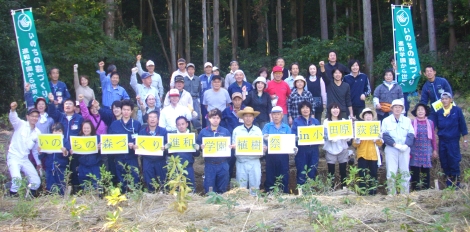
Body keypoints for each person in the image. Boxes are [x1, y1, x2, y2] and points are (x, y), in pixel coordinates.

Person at [47, 94, 84, 191]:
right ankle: (62, 189)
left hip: (73, 149)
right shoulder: (60, 116)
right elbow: (52, 112)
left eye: (70, 104)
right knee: (62, 169)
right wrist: (51, 102)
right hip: (60, 149)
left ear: (74, 107)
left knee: (74, 169)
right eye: (66, 104)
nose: (67, 105)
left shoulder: (79, 118)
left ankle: (75, 189)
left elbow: (82, 132)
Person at [7, 104, 42, 197]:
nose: (34, 118)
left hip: (25, 159)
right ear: (27, 116)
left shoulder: (38, 133)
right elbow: (13, 118)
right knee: (17, 180)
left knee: (36, 181)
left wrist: (38, 163)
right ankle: (12, 200)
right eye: (32, 116)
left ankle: (28, 199)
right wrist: (13, 110)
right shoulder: (20, 124)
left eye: (36, 116)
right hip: (13, 156)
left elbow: (35, 150)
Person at [107, 99, 142, 192]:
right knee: (121, 180)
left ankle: (135, 199)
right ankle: (123, 198)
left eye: (128, 110)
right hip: (119, 157)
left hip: (132, 157)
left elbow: (142, 141)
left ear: (131, 111)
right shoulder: (114, 124)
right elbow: (110, 141)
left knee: (135, 179)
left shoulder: (137, 124)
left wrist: (135, 145)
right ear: (121, 110)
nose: (126, 112)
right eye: (124, 109)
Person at [435, 92, 468, 187]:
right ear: (441, 101)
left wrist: (465, 140)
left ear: (451, 100)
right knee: (444, 161)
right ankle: (449, 183)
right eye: (443, 99)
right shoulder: (439, 112)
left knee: (454, 161)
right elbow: (434, 126)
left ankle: (456, 183)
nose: (445, 100)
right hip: (442, 141)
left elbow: (463, 126)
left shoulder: (457, 110)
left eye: (447, 98)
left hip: (453, 141)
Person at [382, 99, 415, 195]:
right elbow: (385, 135)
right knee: (391, 172)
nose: (397, 109)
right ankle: (391, 193)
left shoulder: (407, 120)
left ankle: (405, 193)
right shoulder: (386, 120)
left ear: (402, 109)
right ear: (391, 109)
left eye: (399, 107)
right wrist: (395, 145)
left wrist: (406, 145)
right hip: (391, 149)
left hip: (404, 149)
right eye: (395, 107)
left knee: (405, 172)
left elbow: (411, 134)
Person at [197, 109, 232, 194]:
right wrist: (200, 147)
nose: (215, 120)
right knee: (209, 188)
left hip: (223, 163)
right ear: (209, 118)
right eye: (213, 118)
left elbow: (230, 144)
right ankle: (210, 205)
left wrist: (230, 147)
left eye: (217, 118)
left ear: (220, 119)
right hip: (210, 164)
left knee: (222, 187)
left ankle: (221, 205)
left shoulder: (225, 131)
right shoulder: (204, 132)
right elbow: (197, 146)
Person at [232, 107, 265, 194]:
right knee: (241, 187)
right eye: (246, 116)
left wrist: (263, 149)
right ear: (242, 117)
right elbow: (234, 144)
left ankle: (254, 205)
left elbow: (261, 145)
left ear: (253, 118)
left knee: (255, 187)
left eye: (250, 116)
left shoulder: (258, 130)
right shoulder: (237, 130)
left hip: (254, 161)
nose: (248, 118)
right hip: (241, 161)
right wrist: (234, 147)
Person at [134, 110, 167, 192]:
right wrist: (136, 146)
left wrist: (165, 147)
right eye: (150, 117)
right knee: (149, 180)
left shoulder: (163, 131)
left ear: (158, 120)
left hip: (160, 160)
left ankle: (163, 194)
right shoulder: (142, 132)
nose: (152, 119)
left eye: (155, 117)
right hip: (147, 160)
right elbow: (137, 144)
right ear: (147, 120)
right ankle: (151, 195)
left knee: (162, 180)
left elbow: (168, 144)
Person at [352, 108, 383, 195]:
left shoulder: (376, 127)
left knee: (373, 174)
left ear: (372, 117)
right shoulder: (359, 128)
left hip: (373, 154)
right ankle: (362, 192)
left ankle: (372, 192)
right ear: (363, 117)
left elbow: (380, 143)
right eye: (366, 115)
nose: (368, 116)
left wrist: (376, 139)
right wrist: (357, 139)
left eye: (370, 114)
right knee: (362, 174)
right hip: (362, 154)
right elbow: (355, 144)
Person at [291, 101, 321, 185]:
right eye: (303, 108)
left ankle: (310, 192)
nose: (305, 110)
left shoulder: (315, 121)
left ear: (310, 109)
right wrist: (298, 137)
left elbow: (320, 135)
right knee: (301, 171)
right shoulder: (296, 121)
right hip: (301, 150)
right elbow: (293, 135)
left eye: (307, 108)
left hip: (314, 149)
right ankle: (301, 193)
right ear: (300, 110)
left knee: (312, 170)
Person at [262, 106, 291, 193]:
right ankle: (270, 193)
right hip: (270, 154)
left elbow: (290, 141)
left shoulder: (286, 128)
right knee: (270, 174)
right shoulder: (267, 126)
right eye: (274, 114)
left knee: (284, 174)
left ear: (282, 115)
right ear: (271, 115)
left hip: (283, 155)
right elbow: (262, 138)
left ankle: (284, 193)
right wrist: (264, 145)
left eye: (278, 114)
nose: (276, 116)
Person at [409, 103, 437, 191]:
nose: (420, 111)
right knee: (415, 172)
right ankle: (415, 190)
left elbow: (433, 137)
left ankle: (426, 190)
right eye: (418, 110)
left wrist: (435, 150)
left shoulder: (430, 123)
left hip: (426, 150)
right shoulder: (412, 122)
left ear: (425, 112)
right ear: (416, 112)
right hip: (415, 151)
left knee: (426, 173)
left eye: (422, 110)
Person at [323, 103, 350, 189]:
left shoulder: (344, 121)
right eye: (333, 108)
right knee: (331, 170)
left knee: (343, 170)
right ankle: (331, 188)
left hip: (342, 148)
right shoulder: (326, 122)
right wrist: (330, 138)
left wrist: (347, 138)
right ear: (330, 110)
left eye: (337, 108)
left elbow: (349, 135)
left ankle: (344, 187)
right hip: (330, 149)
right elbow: (325, 135)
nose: (335, 110)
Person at [221, 92, 246, 178]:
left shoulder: (246, 110)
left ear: (242, 100)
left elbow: (252, 121)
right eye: (235, 100)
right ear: (232, 101)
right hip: (231, 138)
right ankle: (228, 179)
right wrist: (227, 132)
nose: (237, 102)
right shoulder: (227, 110)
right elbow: (222, 122)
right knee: (230, 160)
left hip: (243, 139)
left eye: (239, 100)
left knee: (243, 161)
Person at [71, 120, 101, 190]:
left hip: (94, 165)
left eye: (88, 128)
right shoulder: (78, 139)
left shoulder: (97, 138)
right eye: (84, 128)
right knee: (84, 185)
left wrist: (100, 148)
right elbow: (75, 155)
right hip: (82, 165)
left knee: (96, 185)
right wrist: (72, 151)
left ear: (91, 128)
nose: (86, 130)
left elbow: (103, 153)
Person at [171, 116, 200, 189]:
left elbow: (196, 154)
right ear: (176, 126)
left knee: (190, 186)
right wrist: (166, 148)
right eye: (179, 124)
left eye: (183, 124)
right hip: (176, 167)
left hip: (188, 166)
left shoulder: (191, 137)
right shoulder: (172, 137)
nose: (181, 126)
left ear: (187, 124)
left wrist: (196, 148)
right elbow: (168, 154)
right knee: (177, 187)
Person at [184, 63, 202, 131]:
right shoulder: (184, 79)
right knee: (186, 116)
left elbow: (200, 90)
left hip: (195, 100)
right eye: (189, 69)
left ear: (194, 70)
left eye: (192, 69)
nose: (190, 71)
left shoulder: (198, 79)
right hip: (186, 100)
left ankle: (199, 133)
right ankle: (187, 132)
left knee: (196, 116)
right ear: (187, 70)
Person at [199, 62, 214, 128]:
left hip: (213, 100)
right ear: (204, 69)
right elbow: (198, 89)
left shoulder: (215, 77)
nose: (208, 69)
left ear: (212, 68)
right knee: (205, 117)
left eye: (209, 67)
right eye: (206, 67)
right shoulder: (200, 78)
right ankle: (205, 131)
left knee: (213, 116)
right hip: (203, 101)